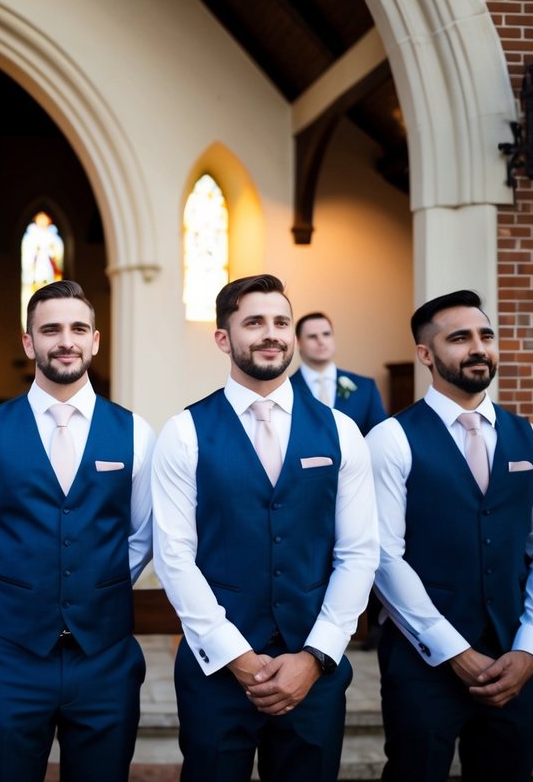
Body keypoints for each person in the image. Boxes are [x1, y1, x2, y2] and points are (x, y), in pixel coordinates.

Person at [151, 274, 378, 781]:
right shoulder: (184, 432)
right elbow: (173, 557)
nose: (271, 333)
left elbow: (359, 552)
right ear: (223, 338)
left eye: (281, 322)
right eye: (254, 322)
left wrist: (316, 655)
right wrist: (238, 657)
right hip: (217, 670)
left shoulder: (341, 432)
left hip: (314, 667)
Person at [0, 279, 154, 781]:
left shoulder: (135, 433)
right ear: (29, 342)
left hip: (104, 658)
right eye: (51, 330)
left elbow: (143, 533)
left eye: (77, 328)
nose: (65, 340)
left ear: (95, 340)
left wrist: (93, 591)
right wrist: (6, 602)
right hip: (10, 658)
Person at [367, 289, 533, 781]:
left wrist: (532, 646)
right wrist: (452, 650)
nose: (478, 348)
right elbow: (384, 557)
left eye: (486, 336)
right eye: (460, 338)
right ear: (425, 354)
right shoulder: (390, 439)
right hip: (421, 662)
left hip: (517, 657)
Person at [291, 312, 387, 434]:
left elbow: (379, 435)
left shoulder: (366, 387)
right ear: (298, 342)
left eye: (326, 334)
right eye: (312, 336)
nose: (321, 341)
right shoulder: (287, 388)